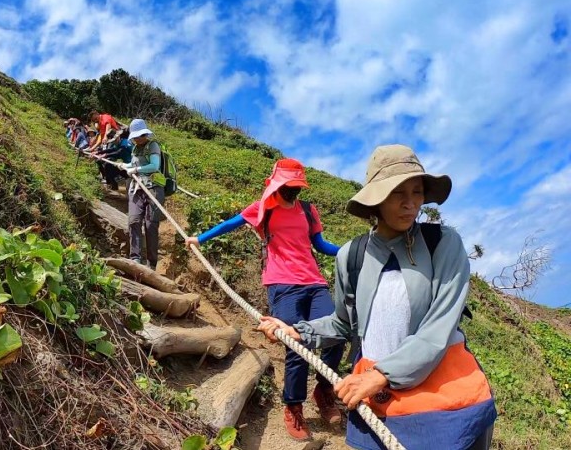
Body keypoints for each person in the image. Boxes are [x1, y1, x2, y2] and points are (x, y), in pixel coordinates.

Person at [257, 145, 497, 450]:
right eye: (399, 193)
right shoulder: (352, 256)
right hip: (378, 398)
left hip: (445, 397)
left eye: (418, 192)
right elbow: (344, 324)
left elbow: (439, 326)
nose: (411, 204)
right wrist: (300, 331)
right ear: (376, 198)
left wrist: (383, 374)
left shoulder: (442, 243)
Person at [185, 158, 344, 441]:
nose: (293, 193)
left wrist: (350, 250)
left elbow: (320, 245)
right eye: (288, 187)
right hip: (282, 284)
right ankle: (293, 405)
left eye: (297, 188)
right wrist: (200, 238)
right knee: (296, 344)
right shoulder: (263, 209)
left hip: (315, 282)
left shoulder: (308, 211)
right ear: (277, 184)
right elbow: (230, 224)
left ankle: (323, 390)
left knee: (336, 334)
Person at [117, 119, 165, 270]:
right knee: (133, 221)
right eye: (135, 137)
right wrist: (125, 165)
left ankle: (151, 264)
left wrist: (136, 170)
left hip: (153, 188)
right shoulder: (135, 148)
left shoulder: (153, 145)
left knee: (150, 225)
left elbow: (154, 165)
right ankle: (135, 258)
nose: (138, 139)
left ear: (145, 134)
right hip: (136, 188)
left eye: (140, 136)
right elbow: (134, 163)